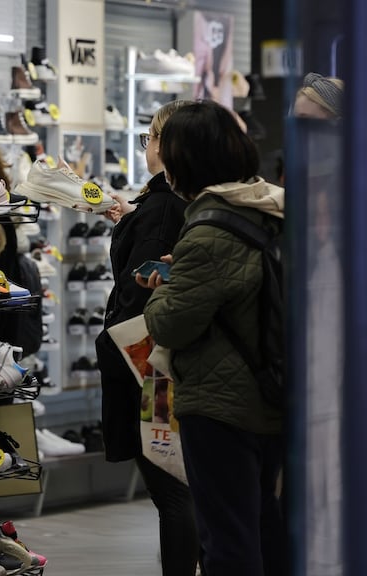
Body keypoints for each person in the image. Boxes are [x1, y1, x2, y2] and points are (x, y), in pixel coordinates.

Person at [142, 100, 285, 576]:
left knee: (227, 540)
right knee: (265, 526)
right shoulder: (272, 209)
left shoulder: (207, 231)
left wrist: (164, 290)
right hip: (272, 389)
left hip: (220, 404)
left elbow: (170, 323)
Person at [95, 100, 201, 576]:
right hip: (168, 361)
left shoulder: (161, 207)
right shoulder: (183, 200)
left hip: (148, 367)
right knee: (180, 487)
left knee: (171, 490)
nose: (146, 148)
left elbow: (136, 290)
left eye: (151, 138)